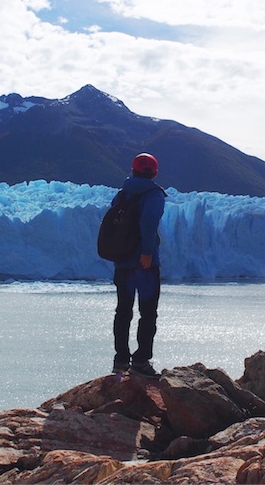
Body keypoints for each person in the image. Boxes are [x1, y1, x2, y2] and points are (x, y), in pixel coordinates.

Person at [111, 152, 166, 378]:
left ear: (133, 170)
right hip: (145, 265)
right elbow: (149, 221)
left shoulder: (122, 195)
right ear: (154, 173)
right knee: (148, 313)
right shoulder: (154, 195)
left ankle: (121, 361)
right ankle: (141, 361)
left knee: (123, 311)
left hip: (122, 261)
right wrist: (146, 252)